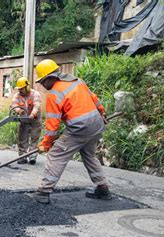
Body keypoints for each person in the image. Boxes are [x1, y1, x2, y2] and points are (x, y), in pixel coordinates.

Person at [33, 59, 111, 204]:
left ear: (50, 78)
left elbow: (52, 126)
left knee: (56, 155)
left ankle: (44, 192)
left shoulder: (54, 94)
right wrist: (102, 113)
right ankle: (103, 188)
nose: (42, 85)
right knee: (89, 155)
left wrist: (46, 144)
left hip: (80, 128)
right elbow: (94, 98)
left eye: (43, 81)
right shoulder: (78, 81)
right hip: (97, 124)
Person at [11, 77, 42, 165]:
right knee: (22, 139)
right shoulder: (17, 96)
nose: (20, 91)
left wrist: (33, 114)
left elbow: (37, 105)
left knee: (34, 138)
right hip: (23, 120)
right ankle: (22, 157)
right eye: (19, 89)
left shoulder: (35, 94)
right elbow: (14, 104)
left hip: (35, 120)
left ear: (27, 87)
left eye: (21, 89)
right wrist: (18, 110)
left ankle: (32, 156)